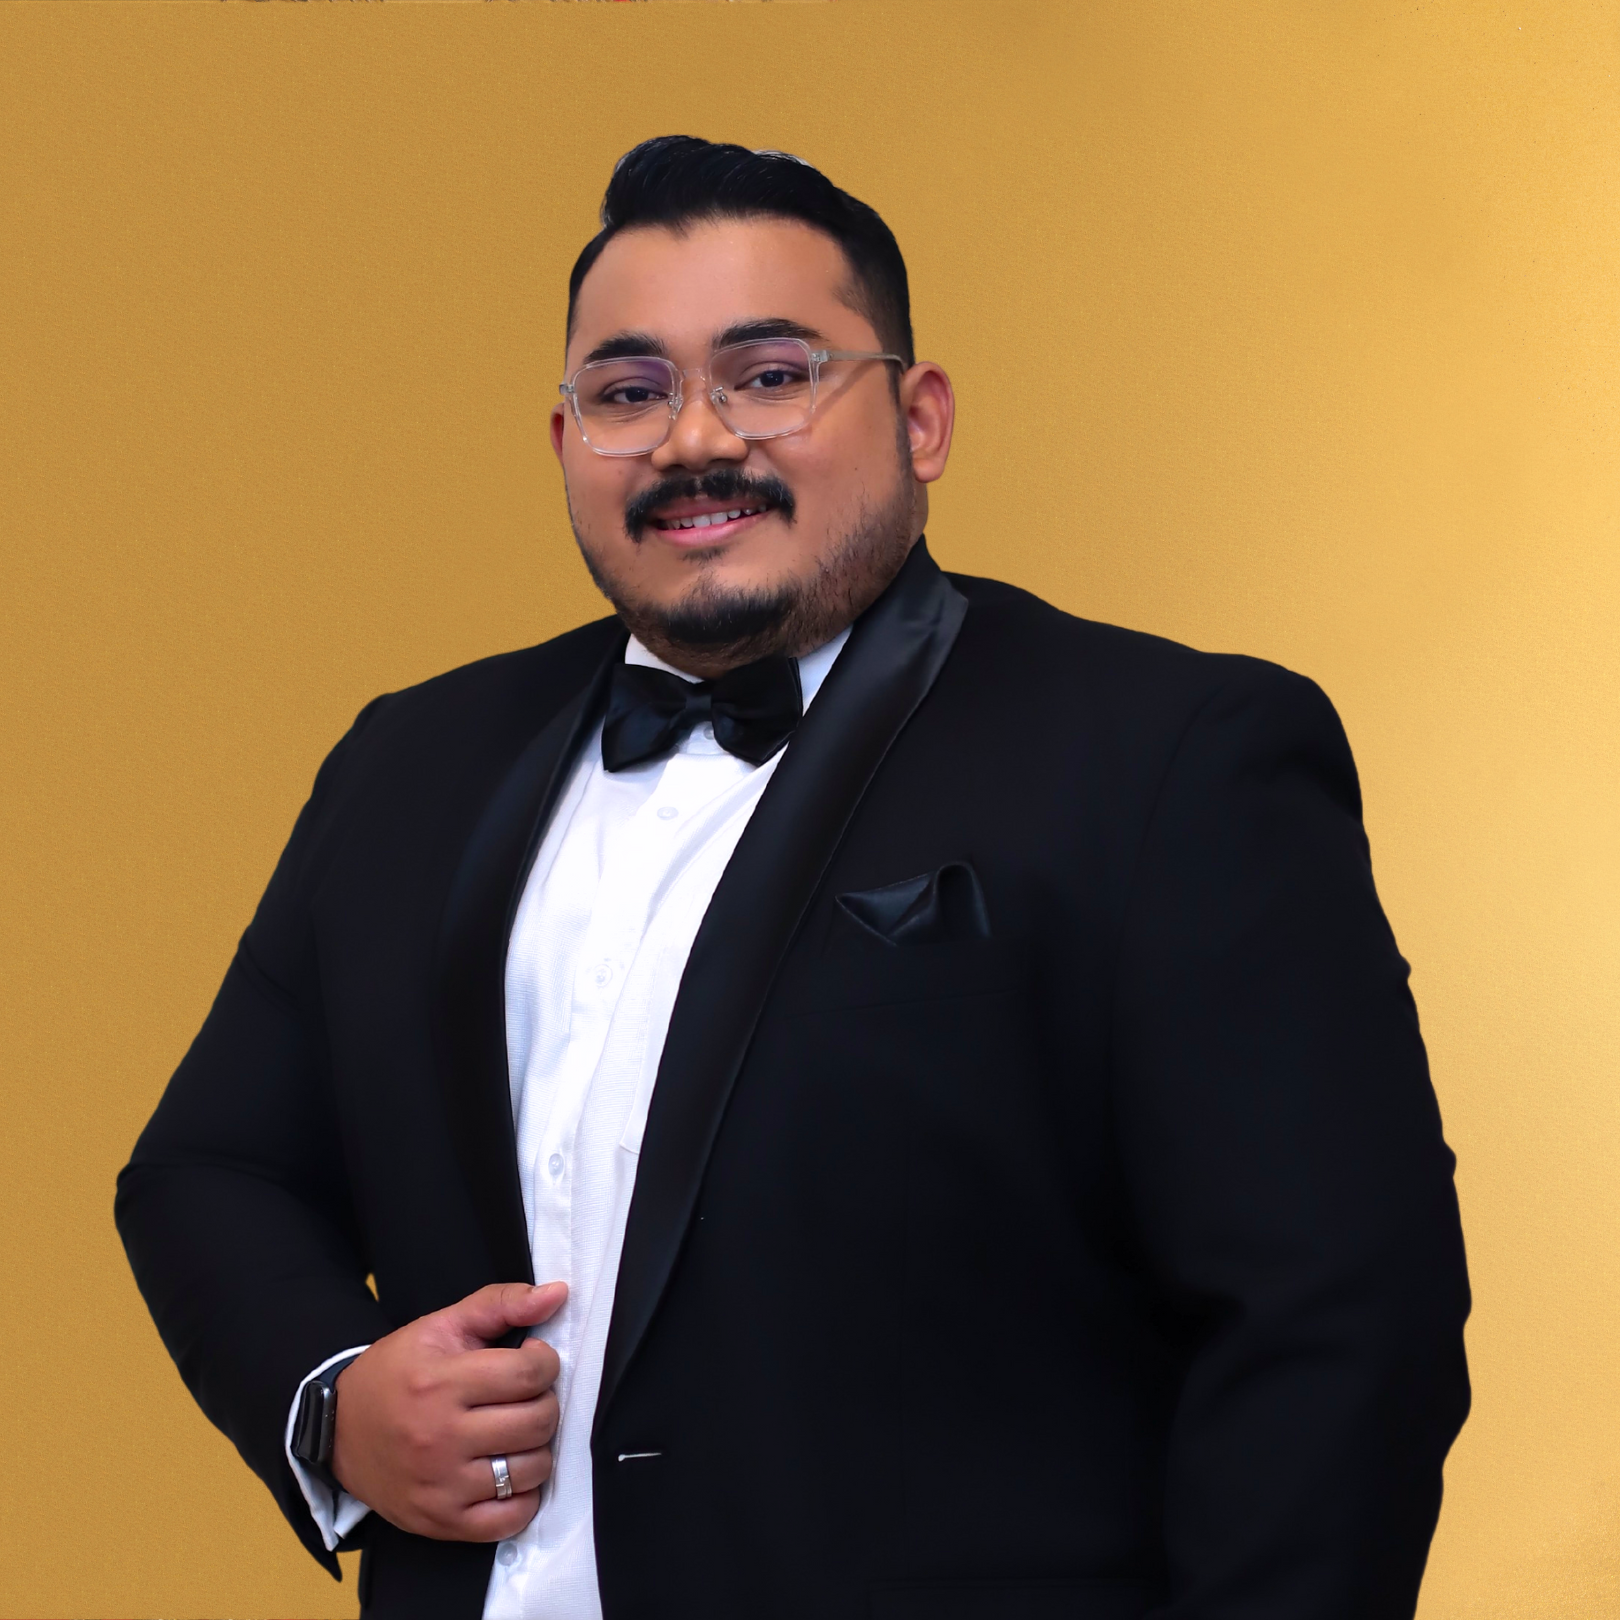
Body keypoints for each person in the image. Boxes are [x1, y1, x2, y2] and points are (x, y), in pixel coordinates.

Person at [117, 135, 1471, 1620]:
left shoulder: (1174, 757)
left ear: (923, 417)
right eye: (629, 393)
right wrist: (335, 1408)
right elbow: (207, 1170)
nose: (696, 439)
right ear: (562, 438)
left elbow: (1342, 1331)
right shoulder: (408, 761)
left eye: (771, 375)